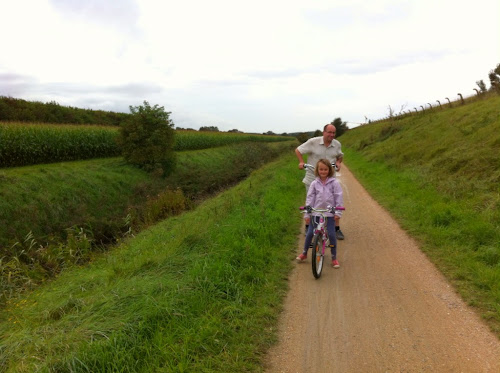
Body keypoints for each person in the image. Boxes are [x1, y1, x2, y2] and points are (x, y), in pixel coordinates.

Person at [295, 123, 345, 240]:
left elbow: (340, 156)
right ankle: (308, 226)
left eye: (333, 133)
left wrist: (338, 163)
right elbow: (298, 150)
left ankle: (336, 229)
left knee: (332, 202)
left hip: (330, 179)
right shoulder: (313, 142)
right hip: (313, 177)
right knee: (311, 202)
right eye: (329, 132)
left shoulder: (337, 144)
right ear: (324, 132)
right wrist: (301, 162)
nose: (331, 135)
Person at [296, 159, 344, 268]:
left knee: (331, 234)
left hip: (329, 214)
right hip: (316, 214)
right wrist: (307, 214)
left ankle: (334, 257)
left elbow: (338, 197)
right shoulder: (314, 183)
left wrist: (338, 212)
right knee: (309, 234)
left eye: (325, 169)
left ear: (329, 170)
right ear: (317, 170)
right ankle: (304, 253)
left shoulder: (334, 183)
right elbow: (310, 198)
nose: (323, 171)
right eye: (321, 169)